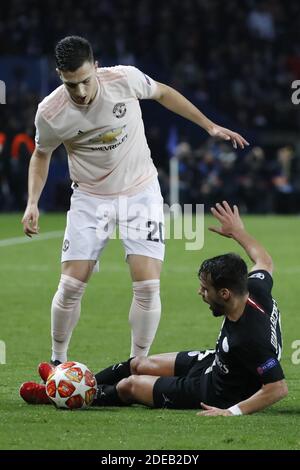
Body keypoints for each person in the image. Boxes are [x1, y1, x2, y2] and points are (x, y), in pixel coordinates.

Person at [21, 35, 249, 365]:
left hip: (139, 192)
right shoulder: (51, 112)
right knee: (71, 284)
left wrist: (209, 125)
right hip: (90, 197)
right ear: (60, 75)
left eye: (86, 80)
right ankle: (57, 364)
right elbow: (41, 154)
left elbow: (164, 93)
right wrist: (32, 202)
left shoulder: (124, 79)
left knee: (147, 286)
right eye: (72, 85)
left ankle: (136, 367)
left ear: (96, 67)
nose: (81, 92)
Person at [20, 201, 287, 416]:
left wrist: (232, 412)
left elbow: (277, 388)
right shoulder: (255, 288)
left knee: (130, 385)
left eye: (206, 289)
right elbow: (264, 260)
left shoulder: (250, 339)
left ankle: (66, 393)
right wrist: (238, 232)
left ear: (226, 293)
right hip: (215, 362)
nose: (201, 293)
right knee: (138, 364)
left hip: (215, 391)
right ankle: (63, 382)